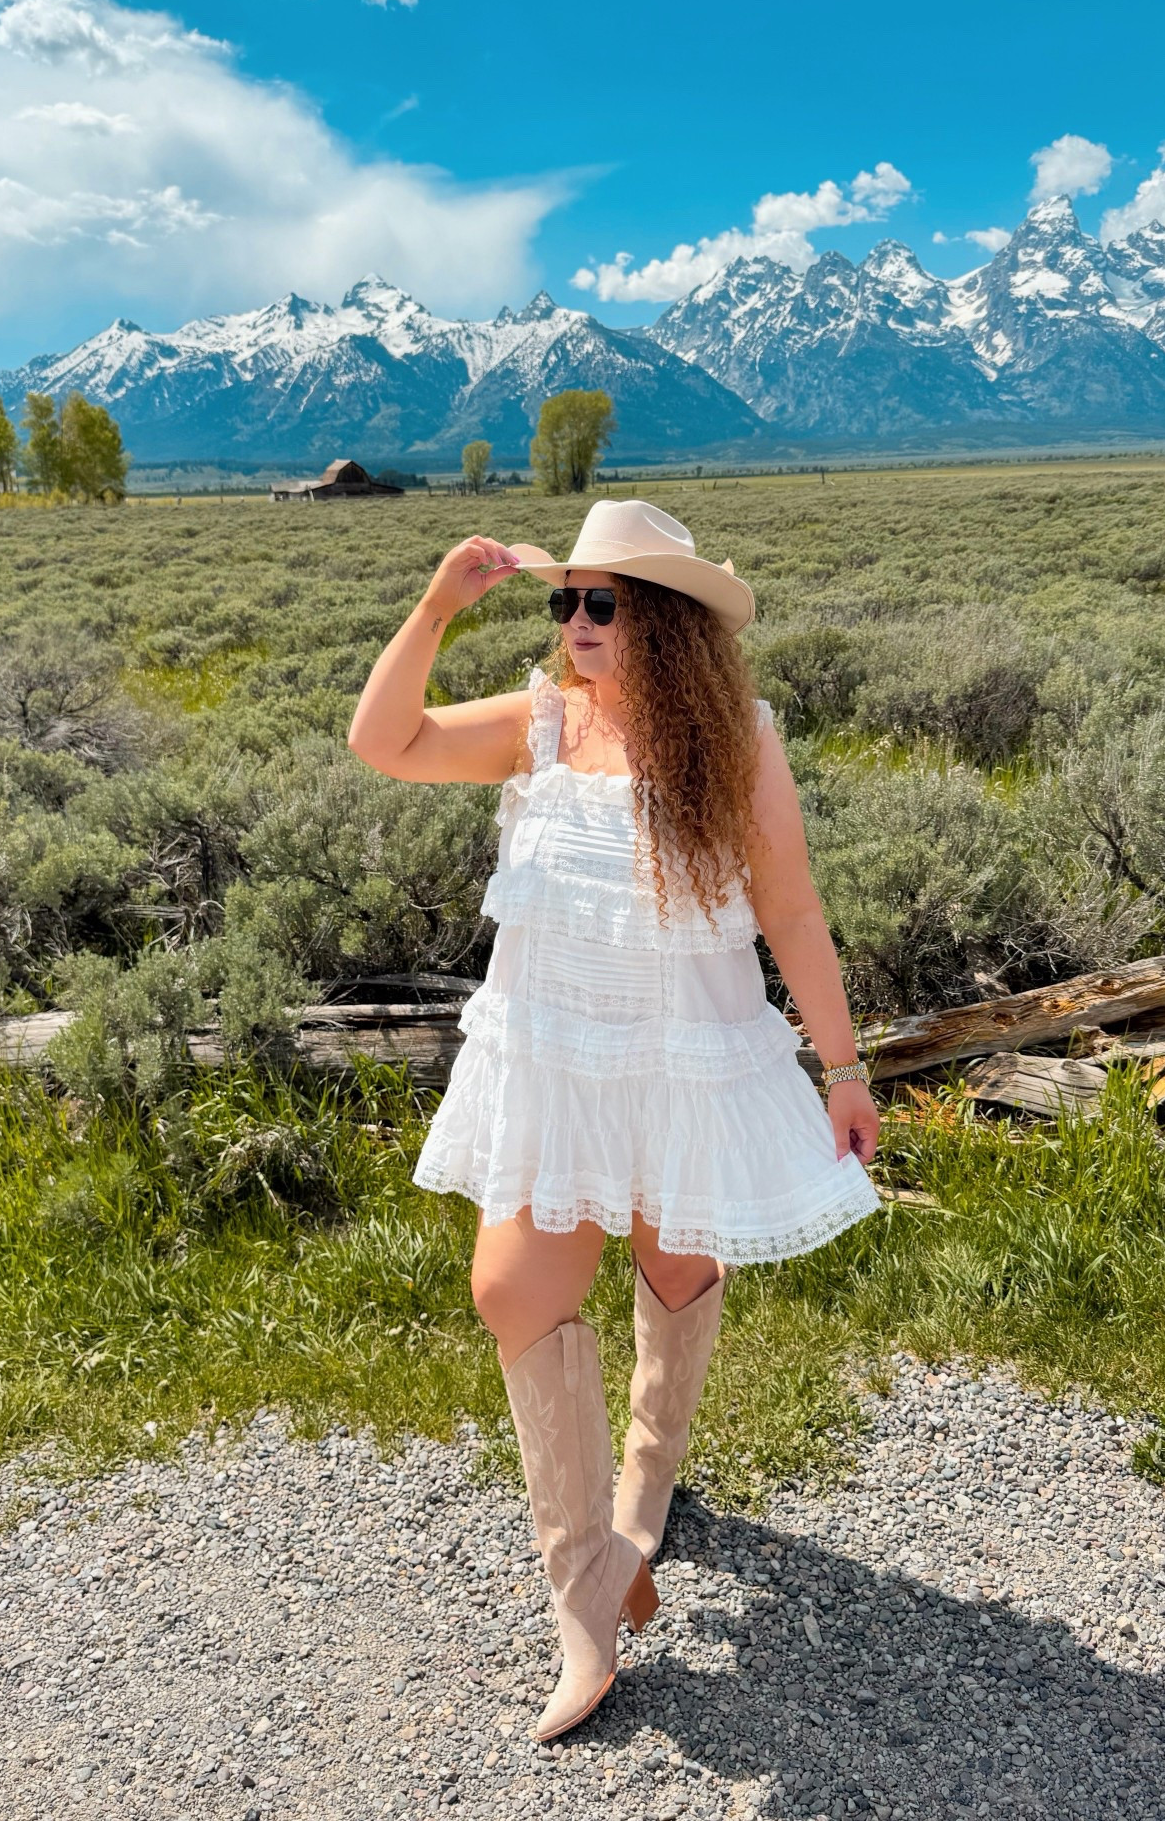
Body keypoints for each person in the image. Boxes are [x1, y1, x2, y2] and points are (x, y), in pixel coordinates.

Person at [348, 497, 882, 1744]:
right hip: (556, 1065)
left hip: (687, 1060)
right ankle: (590, 1586)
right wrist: (436, 606)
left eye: (607, 602)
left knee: (675, 1258)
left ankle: (649, 1477)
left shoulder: (737, 738)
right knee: (511, 1288)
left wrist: (845, 1066)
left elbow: (794, 915)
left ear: (673, 623)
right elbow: (388, 739)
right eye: (568, 600)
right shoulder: (538, 725)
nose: (578, 622)